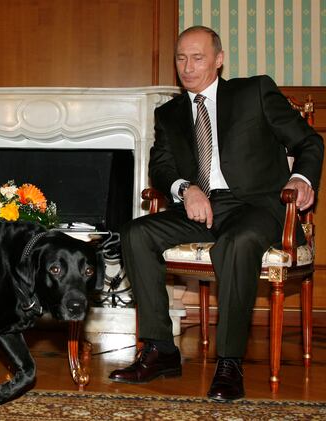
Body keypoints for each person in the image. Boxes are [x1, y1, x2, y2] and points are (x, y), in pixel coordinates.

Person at [108, 26, 323, 401]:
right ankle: (161, 349)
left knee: (236, 242)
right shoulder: (169, 113)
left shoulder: (253, 92)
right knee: (136, 233)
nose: (187, 67)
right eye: (180, 58)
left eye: (198, 57)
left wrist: (302, 178)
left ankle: (229, 361)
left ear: (219, 60)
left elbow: (309, 141)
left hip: (256, 207)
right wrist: (184, 188)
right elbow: (160, 168)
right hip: (202, 207)